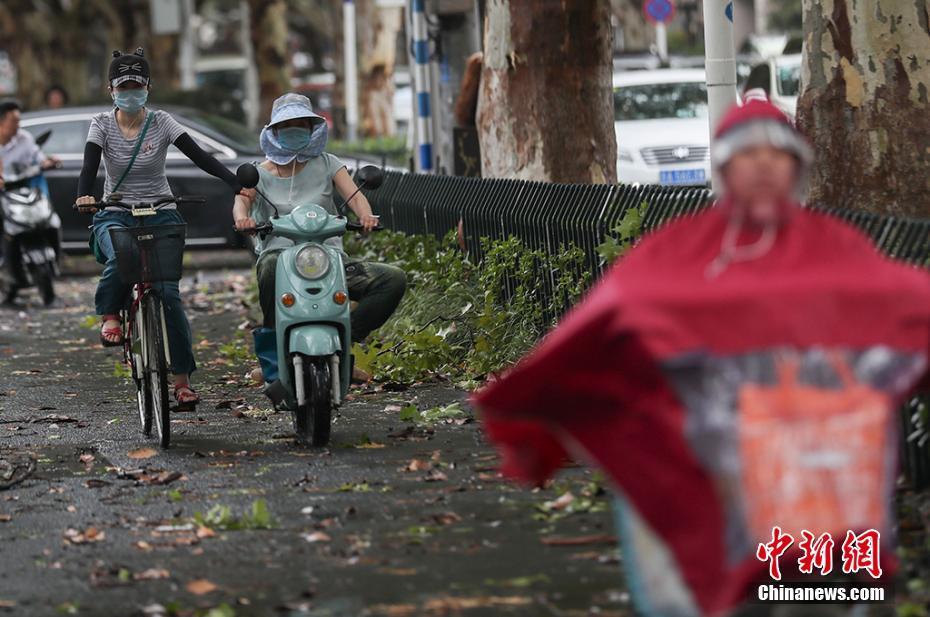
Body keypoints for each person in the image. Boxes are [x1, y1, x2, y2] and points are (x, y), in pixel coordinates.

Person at [472, 99, 930, 615]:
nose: (761, 163)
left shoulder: (838, 247)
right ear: (723, 167)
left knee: (827, 589)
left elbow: (902, 303)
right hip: (701, 454)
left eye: (776, 153)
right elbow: (603, 323)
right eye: (747, 152)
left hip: (826, 461)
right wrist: (534, 427)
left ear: (798, 167)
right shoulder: (676, 251)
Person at [75, 48, 244, 409]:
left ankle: (182, 382)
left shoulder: (163, 122)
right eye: (124, 86)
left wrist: (235, 183)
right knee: (121, 255)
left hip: (161, 212)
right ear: (112, 89)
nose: (131, 91)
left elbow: (201, 156)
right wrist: (84, 196)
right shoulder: (101, 124)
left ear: (148, 87)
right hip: (116, 212)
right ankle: (109, 315)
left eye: (137, 85)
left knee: (169, 295)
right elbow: (88, 167)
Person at [232, 93, 406, 383]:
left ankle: (341, 346)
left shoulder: (328, 163)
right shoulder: (259, 173)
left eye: (302, 123)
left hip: (330, 260)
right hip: (281, 258)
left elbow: (355, 196)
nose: (295, 129)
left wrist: (366, 216)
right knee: (268, 267)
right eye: (288, 125)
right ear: (274, 131)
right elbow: (242, 200)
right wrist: (242, 218)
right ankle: (274, 359)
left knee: (393, 279)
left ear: (312, 128)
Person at [0, 99, 61, 304]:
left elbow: (38, 157)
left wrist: (48, 162)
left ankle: (55, 259)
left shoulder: (24, 138)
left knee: (51, 220)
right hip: (3, 194)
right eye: (14, 120)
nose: (18, 124)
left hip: (24, 189)